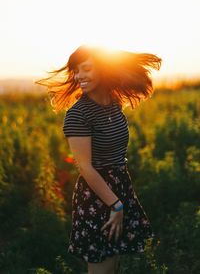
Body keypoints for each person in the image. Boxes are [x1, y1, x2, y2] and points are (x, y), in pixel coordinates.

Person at [35, 44, 162, 273]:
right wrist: (116, 205)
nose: (79, 76)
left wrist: (121, 199)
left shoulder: (113, 104)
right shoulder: (78, 114)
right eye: (76, 70)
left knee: (113, 266)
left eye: (86, 68)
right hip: (97, 197)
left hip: (120, 187)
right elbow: (85, 167)